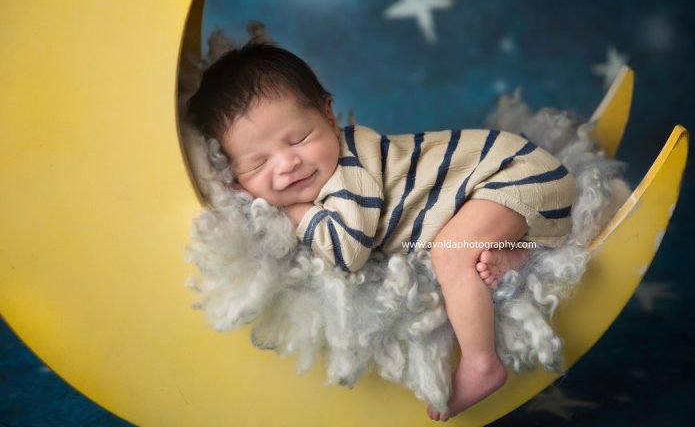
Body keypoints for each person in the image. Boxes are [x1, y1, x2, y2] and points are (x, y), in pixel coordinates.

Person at [186, 41, 577, 422]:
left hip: (516, 175)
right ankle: (514, 250)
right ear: (232, 175)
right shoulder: (321, 169)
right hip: (504, 188)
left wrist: (296, 212)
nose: (287, 163)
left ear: (329, 117)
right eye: (257, 164)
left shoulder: (349, 171)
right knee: (465, 243)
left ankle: (482, 364)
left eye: (299, 138)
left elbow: (348, 252)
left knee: (449, 253)